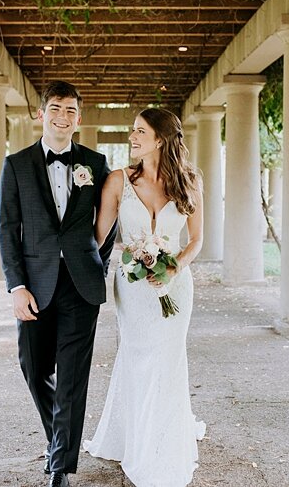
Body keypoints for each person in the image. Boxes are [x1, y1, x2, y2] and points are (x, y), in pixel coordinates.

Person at [0, 80, 116, 487]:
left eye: (70, 111)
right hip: (34, 285)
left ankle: (60, 467)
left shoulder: (96, 164)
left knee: (72, 377)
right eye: (55, 109)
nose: (62, 117)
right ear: (41, 113)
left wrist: (98, 266)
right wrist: (16, 286)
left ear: (78, 118)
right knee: (34, 368)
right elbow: (6, 228)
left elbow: (109, 221)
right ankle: (60, 442)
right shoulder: (16, 165)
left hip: (81, 286)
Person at [84, 107, 206, 487]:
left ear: (161, 139)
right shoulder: (118, 181)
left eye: (140, 131)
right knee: (138, 358)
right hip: (133, 290)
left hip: (177, 289)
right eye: (132, 131)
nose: (132, 137)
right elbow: (98, 237)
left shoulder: (190, 180)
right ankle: (136, 439)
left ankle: (164, 442)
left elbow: (197, 240)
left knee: (168, 361)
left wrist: (174, 267)